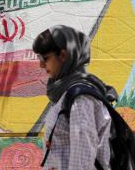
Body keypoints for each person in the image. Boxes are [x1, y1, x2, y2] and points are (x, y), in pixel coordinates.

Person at [32, 25, 119, 170]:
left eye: (44, 57)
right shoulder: (69, 93)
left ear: (64, 55)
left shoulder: (80, 97)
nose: (41, 64)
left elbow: (83, 159)